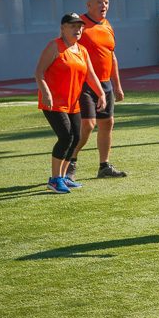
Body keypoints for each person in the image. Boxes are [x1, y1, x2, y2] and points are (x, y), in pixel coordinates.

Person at [34, 13, 106, 194]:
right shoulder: (54, 46)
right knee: (65, 137)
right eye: (73, 26)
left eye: (80, 26)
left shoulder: (81, 50)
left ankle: (64, 176)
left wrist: (101, 94)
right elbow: (39, 73)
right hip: (53, 103)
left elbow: (90, 75)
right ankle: (54, 179)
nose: (78, 29)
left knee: (76, 138)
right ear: (63, 28)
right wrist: (46, 93)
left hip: (73, 103)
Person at [68, 0, 127, 180]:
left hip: (105, 84)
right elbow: (67, 51)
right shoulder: (79, 26)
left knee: (107, 123)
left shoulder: (107, 25)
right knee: (87, 125)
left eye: (107, 2)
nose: (104, 6)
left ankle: (104, 166)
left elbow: (111, 56)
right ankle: (70, 161)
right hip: (85, 84)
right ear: (89, 5)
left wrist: (117, 85)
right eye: (100, 2)